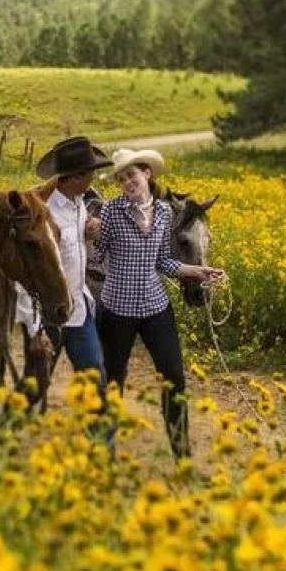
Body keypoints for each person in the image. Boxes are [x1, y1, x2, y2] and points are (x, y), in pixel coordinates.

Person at [91, 147, 223, 461]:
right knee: (112, 383)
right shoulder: (110, 211)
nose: (127, 182)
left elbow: (164, 261)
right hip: (116, 311)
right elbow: (97, 255)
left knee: (174, 379)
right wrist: (88, 232)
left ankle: (182, 455)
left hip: (155, 309)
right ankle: (104, 456)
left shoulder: (165, 213)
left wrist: (197, 271)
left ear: (147, 173)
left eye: (132, 175)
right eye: (121, 178)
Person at [11, 135, 112, 407]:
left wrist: (87, 233)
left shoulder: (79, 203)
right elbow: (24, 277)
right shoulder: (39, 213)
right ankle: (8, 438)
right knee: (34, 387)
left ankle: (102, 445)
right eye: (91, 173)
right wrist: (34, 330)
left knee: (96, 383)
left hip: (79, 311)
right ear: (75, 178)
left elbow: (67, 251)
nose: (95, 178)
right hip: (48, 317)